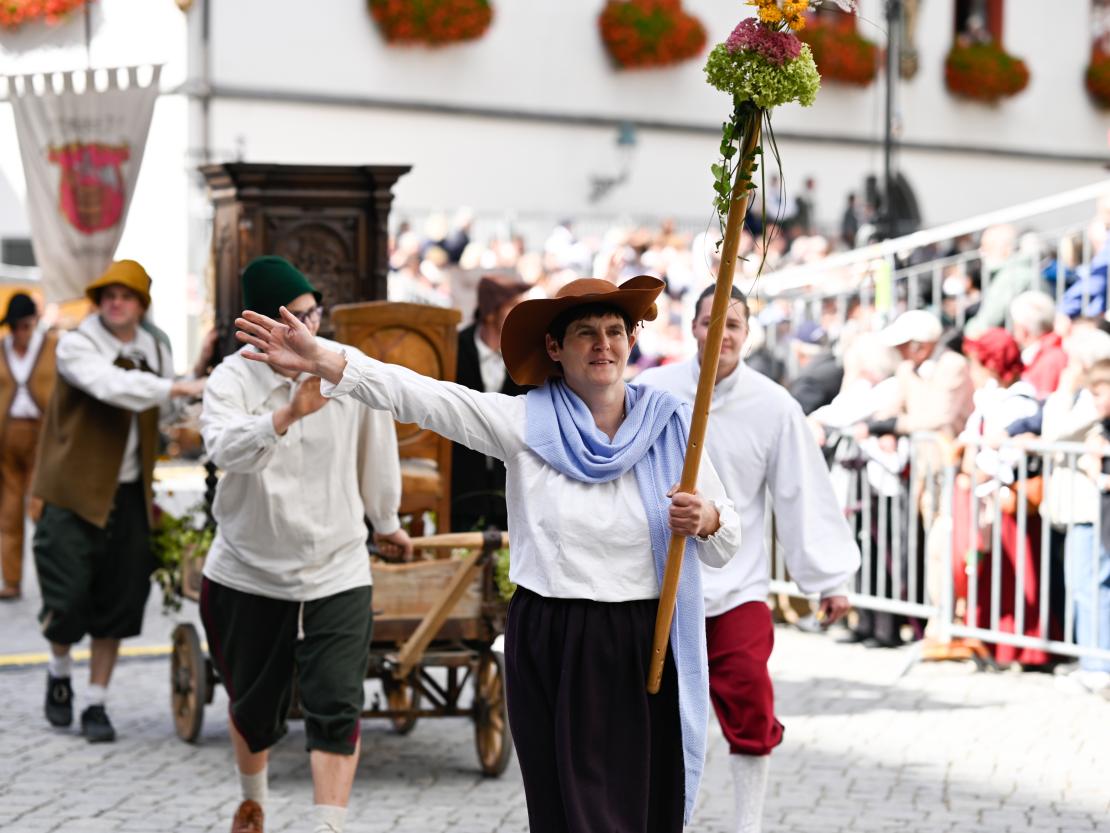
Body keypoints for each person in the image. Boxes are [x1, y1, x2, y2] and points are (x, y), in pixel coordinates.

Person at [235, 275, 742, 833]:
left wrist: (708, 518)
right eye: (585, 333)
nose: (603, 344)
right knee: (572, 813)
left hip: (645, 638)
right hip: (556, 638)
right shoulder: (524, 423)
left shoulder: (671, 427)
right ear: (555, 348)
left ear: (630, 341)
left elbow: (723, 540)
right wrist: (324, 358)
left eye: (615, 331)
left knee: (643, 806)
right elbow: (421, 395)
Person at [200, 256, 412, 833]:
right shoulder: (232, 379)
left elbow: (378, 449)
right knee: (252, 704)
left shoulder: (347, 367)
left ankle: (327, 825)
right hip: (249, 568)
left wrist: (386, 521)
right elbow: (222, 449)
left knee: (339, 701)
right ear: (260, 324)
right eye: (294, 317)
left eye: (313, 314)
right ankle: (254, 802)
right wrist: (288, 412)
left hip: (337, 566)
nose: (307, 329)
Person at [639, 285, 859, 833]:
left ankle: (748, 824)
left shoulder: (775, 406)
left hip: (736, 588)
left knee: (752, 707)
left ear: (748, 335)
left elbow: (801, 493)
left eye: (734, 325)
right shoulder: (650, 391)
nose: (723, 334)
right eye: (712, 322)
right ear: (693, 328)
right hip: (656, 586)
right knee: (656, 715)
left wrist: (829, 578)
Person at [32, 260, 205, 742]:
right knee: (64, 602)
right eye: (107, 295)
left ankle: (96, 703)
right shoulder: (77, 344)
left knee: (119, 599)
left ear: (141, 306)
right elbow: (114, 387)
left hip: (128, 493)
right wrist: (176, 384)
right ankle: (59, 668)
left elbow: (166, 407)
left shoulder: (154, 346)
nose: (115, 303)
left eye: (126, 296)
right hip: (72, 490)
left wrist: (192, 376)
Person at [450, 273, 532, 533]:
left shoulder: (528, 354)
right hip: (462, 486)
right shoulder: (453, 347)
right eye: (512, 306)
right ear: (489, 313)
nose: (521, 314)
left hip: (511, 489)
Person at [0, 292, 56, 600]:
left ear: (33, 323)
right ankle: (11, 581)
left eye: (23, 326)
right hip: (7, 438)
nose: (19, 333)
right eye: (14, 327)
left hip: (42, 436)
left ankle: (52, 581)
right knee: (7, 514)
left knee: (41, 510)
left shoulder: (51, 347)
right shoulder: (2, 349)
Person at [1009, 290, 1066, 400]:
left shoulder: (1051, 358)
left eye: (1015, 325)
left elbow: (1044, 401)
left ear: (1023, 329)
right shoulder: (1045, 353)